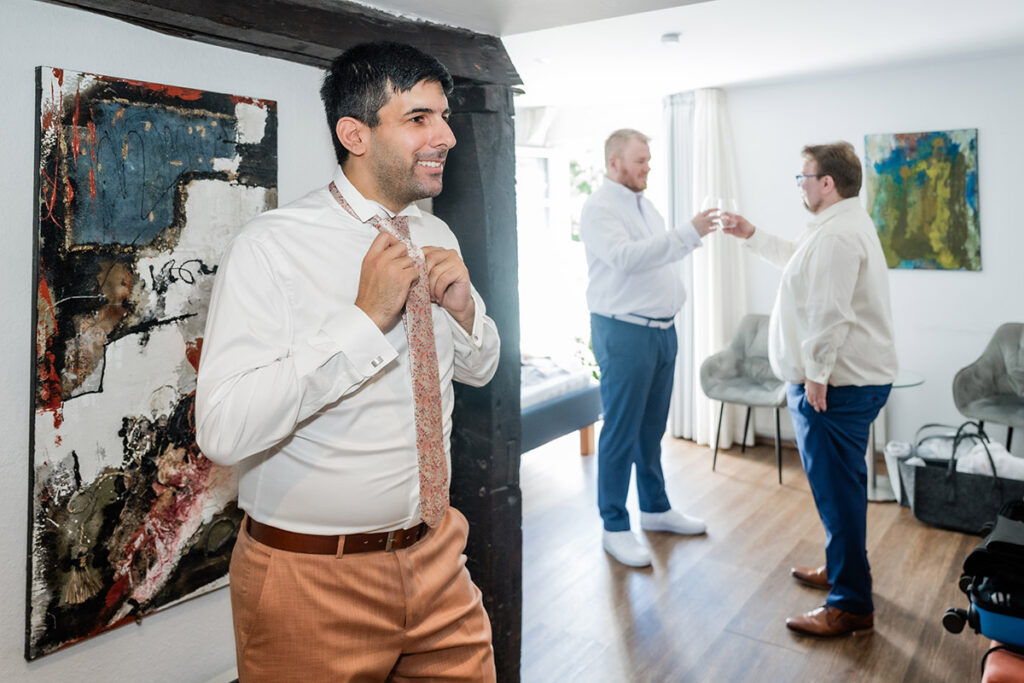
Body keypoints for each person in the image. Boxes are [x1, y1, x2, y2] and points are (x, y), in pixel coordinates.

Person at [195, 42, 500, 680]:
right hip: (311, 579)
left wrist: (466, 310)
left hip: (440, 557)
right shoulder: (271, 247)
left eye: (443, 117)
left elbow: (478, 370)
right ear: (354, 134)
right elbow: (222, 432)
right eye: (419, 118)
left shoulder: (437, 233)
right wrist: (363, 322)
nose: (446, 135)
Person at [722, 141, 897, 637]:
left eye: (804, 176)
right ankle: (843, 570)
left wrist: (816, 376)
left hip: (834, 388)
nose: (799, 184)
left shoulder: (839, 236)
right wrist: (750, 234)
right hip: (843, 383)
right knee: (838, 491)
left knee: (837, 493)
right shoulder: (833, 227)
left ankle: (851, 604)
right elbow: (799, 264)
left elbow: (829, 313)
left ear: (827, 183)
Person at [579, 128, 716, 568]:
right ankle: (614, 525)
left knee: (651, 429)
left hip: (661, 332)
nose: (647, 168)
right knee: (620, 431)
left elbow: (659, 257)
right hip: (624, 333)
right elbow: (627, 258)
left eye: (649, 161)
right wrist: (686, 232)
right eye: (640, 161)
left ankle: (655, 509)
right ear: (614, 162)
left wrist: (686, 237)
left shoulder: (646, 206)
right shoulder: (599, 208)